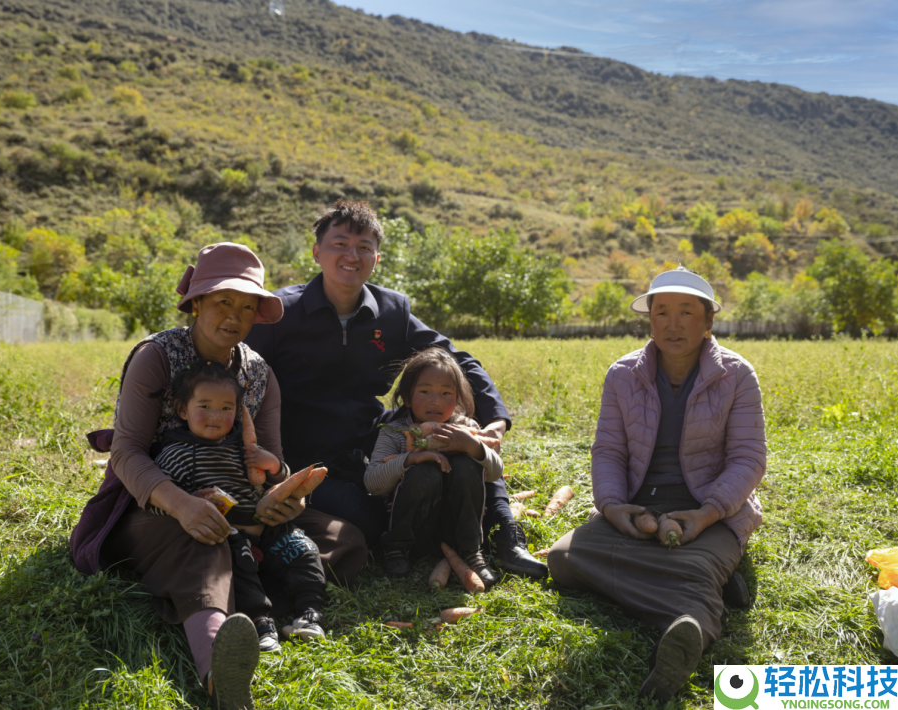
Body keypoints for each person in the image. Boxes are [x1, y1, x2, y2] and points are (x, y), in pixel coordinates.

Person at [70, 243, 367, 710]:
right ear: (196, 303)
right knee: (204, 540)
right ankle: (218, 672)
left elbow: (272, 461)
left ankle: (246, 582)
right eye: (223, 301)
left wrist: (283, 495)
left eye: (248, 306)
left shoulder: (259, 373)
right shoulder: (158, 356)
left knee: (343, 537)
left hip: (243, 508)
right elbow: (126, 452)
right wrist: (183, 504)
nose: (235, 315)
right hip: (158, 504)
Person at [244, 200, 547, 579]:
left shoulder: (392, 310)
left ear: (377, 257)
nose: (352, 256)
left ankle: (506, 537)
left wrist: (495, 422)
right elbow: (241, 377)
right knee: (371, 524)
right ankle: (425, 536)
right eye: (340, 244)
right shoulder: (279, 313)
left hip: (375, 439)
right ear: (317, 252)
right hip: (310, 455)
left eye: (364, 247)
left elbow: (458, 360)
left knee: (462, 433)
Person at [547, 267, 766, 703]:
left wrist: (706, 515)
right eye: (661, 311)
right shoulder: (624, 374)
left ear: (708, 322)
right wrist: (612, 508)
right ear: (650, 320)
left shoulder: (736, 375)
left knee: (699, 560)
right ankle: (705, 588)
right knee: (563, 557)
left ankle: (692, 621)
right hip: (639, 505)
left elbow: (748, 459)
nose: (673, 322)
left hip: (711, 509)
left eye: (687, 312)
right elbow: (608, 450)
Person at [152, 360, 327, 653]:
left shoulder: (244, 449)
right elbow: (160, 502)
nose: (215, 416)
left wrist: (271, 464)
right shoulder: (176, 454)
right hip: (228, 532)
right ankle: (260, 622)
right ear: (182, 411)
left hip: (266, 525)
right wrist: (187, 503)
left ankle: (308, 612)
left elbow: (282, 481)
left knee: (303, 548)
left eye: (226, 408)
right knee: (238, 561)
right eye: (204, 406)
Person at [365, 348, 504, 586]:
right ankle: (396, 548)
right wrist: (409, 460)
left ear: (458, 398)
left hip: (455, 530)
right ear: (407, 397)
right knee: (424, 470)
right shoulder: (395, 432)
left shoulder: (466, 428)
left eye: (446, 392)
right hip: (414, 532)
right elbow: (373, 483)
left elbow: (494, 474)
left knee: (465, 464)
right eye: (425, 391)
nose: (436, 401)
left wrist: (473, 447)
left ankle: (470, 551)